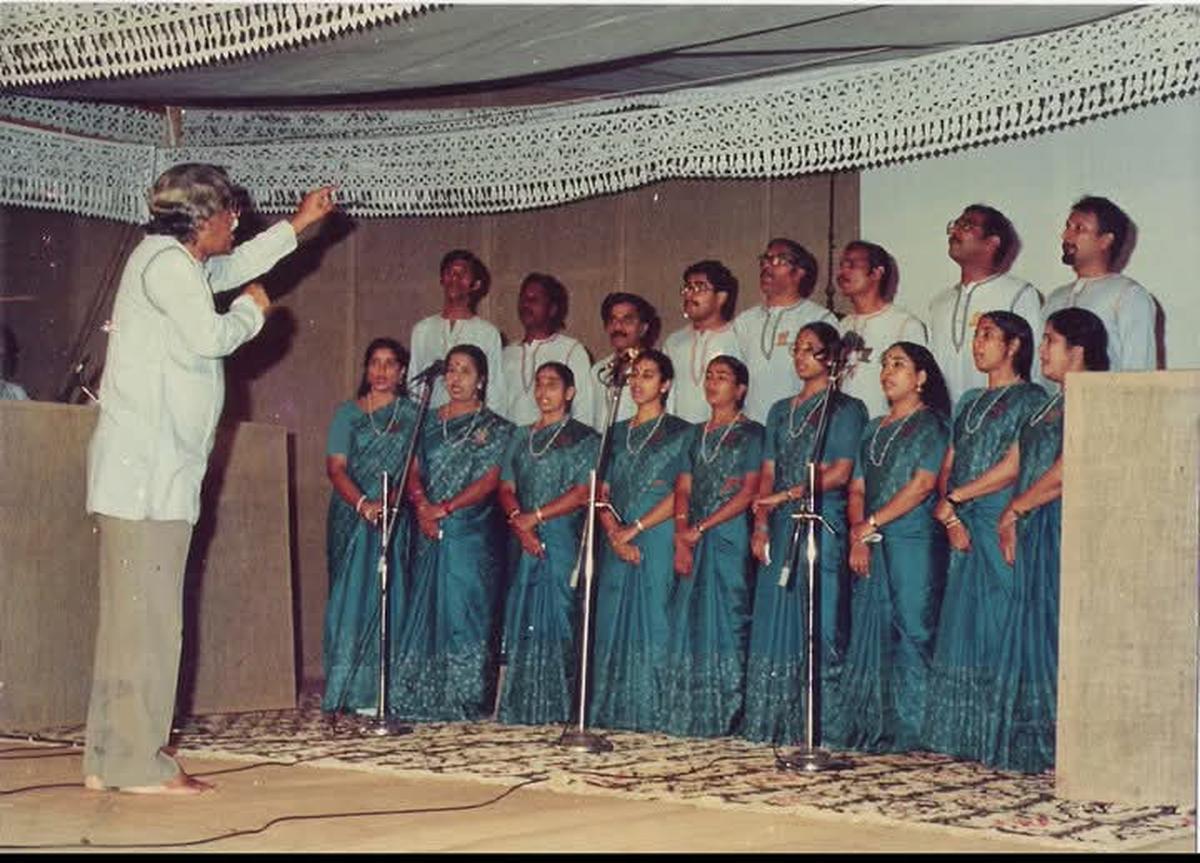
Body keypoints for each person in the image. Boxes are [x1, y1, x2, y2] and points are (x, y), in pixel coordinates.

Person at [83, 163, 334, 794]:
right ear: (200, 219)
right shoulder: (169, 266)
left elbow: (228, 267)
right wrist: (255, 313)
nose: (235, 220)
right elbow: (211, 335)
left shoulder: (173, 262)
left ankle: (111, 757)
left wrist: (297, 227)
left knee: (128, 623)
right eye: (228, 211)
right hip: (149, 482)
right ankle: (139, 765)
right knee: (153, 623)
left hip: (141, 477)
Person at [985, 308, 1108, 774]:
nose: (1043, 350)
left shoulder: (1092, 397)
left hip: (1064, 524)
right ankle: (1038, 745)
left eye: (1051, 340)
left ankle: (1071, 743)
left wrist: (1017, 507)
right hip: (1035, 521)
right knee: (1034, 625)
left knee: (1059, 627)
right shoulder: (1047, 404)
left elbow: (1067, 468)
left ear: (1078, 350)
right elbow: (1020, 460)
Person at [921, 312, 1046, 761]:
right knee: (963, 616)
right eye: (976, 335)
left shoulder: (1032, 398)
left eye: (988, 335)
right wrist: (951, 512)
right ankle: (966, 734)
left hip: (997, 516)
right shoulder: (970, 399)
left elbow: (1013, 466)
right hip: (960, 516)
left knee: (1001, 612)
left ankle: (1008, 734)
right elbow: (950, 461)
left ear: (1014, 346)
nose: (978, 344)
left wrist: (957, 499)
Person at [742, 323, 868, 746]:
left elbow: (841, 471)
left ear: (831, 358)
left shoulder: (846, 408)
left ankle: (824, 727)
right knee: (775, 612)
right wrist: (761, 520)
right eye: (796, 349)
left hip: (820, 518)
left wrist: (788, 495)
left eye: (809, 350)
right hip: (779, 521)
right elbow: (768, 470)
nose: (799, 356)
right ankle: (773, 722)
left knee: (821, 614)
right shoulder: (779, 410)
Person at [831, 342, 951, 753]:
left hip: (912, 540)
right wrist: (857, 534)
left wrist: (871, 524)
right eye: (884, 364)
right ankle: (874, 727)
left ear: (921, 378)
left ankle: (917, 732)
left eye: (899, 364)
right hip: (871, 539)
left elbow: (922, 485)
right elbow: (858, 487)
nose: (887, 371)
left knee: (913, 627)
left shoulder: (932, 425)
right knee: (873, 626)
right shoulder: (872, 427)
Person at [391, 344, 514, 721]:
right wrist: (422, 504)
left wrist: (444, 508)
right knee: (423, 605)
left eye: (465, 371)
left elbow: (491, 479)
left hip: (470, 531)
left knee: (465, 609)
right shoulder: (425, 421)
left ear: (482, 380)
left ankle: (465, 697)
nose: (455, 378)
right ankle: (415, 694)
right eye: (451, 370)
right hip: (425, 523)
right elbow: (412, 467)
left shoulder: (496, 427)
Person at [589, 350, 692, 731]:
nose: (636, 382)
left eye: (648, 375)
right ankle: (611, 711)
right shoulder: (614, 433)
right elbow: (601, 490)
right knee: (612, 617)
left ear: (665, 384)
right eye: (634, 375)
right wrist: (614, 533)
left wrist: (636, 529)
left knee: (656, 616)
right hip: (614, 535)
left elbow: (681, 493)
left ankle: (654, 711)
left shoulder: (682, 433)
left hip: (656, 534)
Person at [662, 355, 763, 737]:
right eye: (709, 375)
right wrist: (683, 531)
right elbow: (683, 487)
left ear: (740, 390)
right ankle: (691, 711)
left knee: (729, 614)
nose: (713, 382)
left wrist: (701, 527)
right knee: (689, 616)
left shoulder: (752, 434)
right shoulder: (694, 434)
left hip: (728, 535)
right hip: (692, 534)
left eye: (723, 377)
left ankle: (729, 712)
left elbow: (749, 490)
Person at [495, 362, 599, 725]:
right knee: (523, 612)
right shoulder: (520, 436)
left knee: (563, 612)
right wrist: (519, 524)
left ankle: (562, 707)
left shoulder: (585, 437)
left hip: (562, 534)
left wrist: (535, 517)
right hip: (522, 536)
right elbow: (506, 486)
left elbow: (584, 491)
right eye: (538, 384)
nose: (543, 392)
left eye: (552, 384)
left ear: (569, 392)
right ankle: (523, 704)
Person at [321, 337, 418, 716]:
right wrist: (364, 504)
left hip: (394, 515)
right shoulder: (347, 413)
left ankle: (384, 692)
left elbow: (414, 468)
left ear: (402, 372)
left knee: (391, 596)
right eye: (374, 363)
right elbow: (336, 467)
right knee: (350, 598)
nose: (381, 371)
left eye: (390, 363)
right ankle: (348, 690)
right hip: (351, 513)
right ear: (365, 369)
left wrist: (389, 502)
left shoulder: (413, 415)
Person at [928, 205, 1043, 404]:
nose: (954, 231)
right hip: (947, 425)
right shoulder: (940, 303)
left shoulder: (1018, 293)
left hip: (999, 420)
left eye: (966, 226)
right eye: (955, 225)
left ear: (991, 243)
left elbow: (1033, 366)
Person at [1042, 196, 1155, 371]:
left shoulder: (1128, 295)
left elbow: (1139, 371)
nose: (1066, 236)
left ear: (1105, 241)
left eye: (1079, 229)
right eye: (1068, 227)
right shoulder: (1055, 298)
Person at [733, 238, 836, 424]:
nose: (767, 266)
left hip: (800, 426)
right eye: (765, 259)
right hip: (751, 430)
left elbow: (829, 382)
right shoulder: (744, 321)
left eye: (779, 260)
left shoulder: (820, 318)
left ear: (799, 273)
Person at [837, 241, 929, 420]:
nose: (842, 272)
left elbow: (915, 393)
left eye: (852, 265)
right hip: (845, 429)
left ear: (877, 273)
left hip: (884, 430)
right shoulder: (842, 326)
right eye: (841, 265)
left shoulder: (905, 325)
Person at [408, 249, 506, 413]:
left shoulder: (488, 333)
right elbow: (414, 383)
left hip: (470, 426)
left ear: (476, 285)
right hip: (431, 425)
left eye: (462, 274)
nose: (455, 278)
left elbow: (495, 389)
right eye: (450, 272)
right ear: (441, 279)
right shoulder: (422, 330)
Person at [499, 273, 594, 427]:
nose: (525, 305)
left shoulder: (572, 350)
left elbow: (584, 411)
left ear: (552, 309)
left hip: (555, 444)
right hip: (513, 445)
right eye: (523, 299)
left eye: (534, 300)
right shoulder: (506, 354)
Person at [663, 260, 744, 423]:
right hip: (680, 437)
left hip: (725, 434)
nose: (689, 294)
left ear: (721, 297)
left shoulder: (739, 337)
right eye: (687, 287)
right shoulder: (673, 342)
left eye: (699, 287)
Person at [588, 292, 659, 432]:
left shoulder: (657, 368)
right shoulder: (598, 370)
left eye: (627, 321)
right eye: (612, 320)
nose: (618, 327)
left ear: (643, 328)